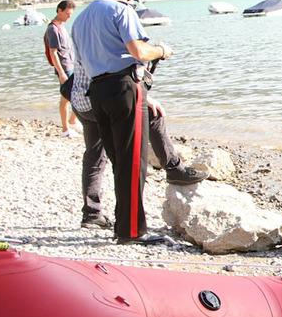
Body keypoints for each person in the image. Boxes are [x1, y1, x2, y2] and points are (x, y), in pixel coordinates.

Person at [70, 0, 193, 244]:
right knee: (133, 162)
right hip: (124, 88)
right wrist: (162, 50)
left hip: (96, 92)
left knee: (117, 160)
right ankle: (131, 231)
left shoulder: (80, 20)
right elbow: (138, 50)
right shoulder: (120, 10)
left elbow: (82, 64)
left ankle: (124, 225)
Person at [69, 64, 204, 230]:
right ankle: (173, 168)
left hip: (80, 100)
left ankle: (91, 214)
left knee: (95, 155)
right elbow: (122, 71)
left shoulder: (84, 36)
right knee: (154, 115)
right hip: (102, 97)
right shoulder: (116, 40)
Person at [43, 0, 78, 135]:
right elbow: (53, 52)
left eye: (71, 14)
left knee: (73, 95)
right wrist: (61, 72)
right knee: (67, 97)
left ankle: (71, 122)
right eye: (67, 14)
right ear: (59, 10)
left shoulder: (61, 26)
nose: (69, 17)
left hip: (70, 65)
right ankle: (66, 128)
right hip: (64, 68)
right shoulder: (53, 28)